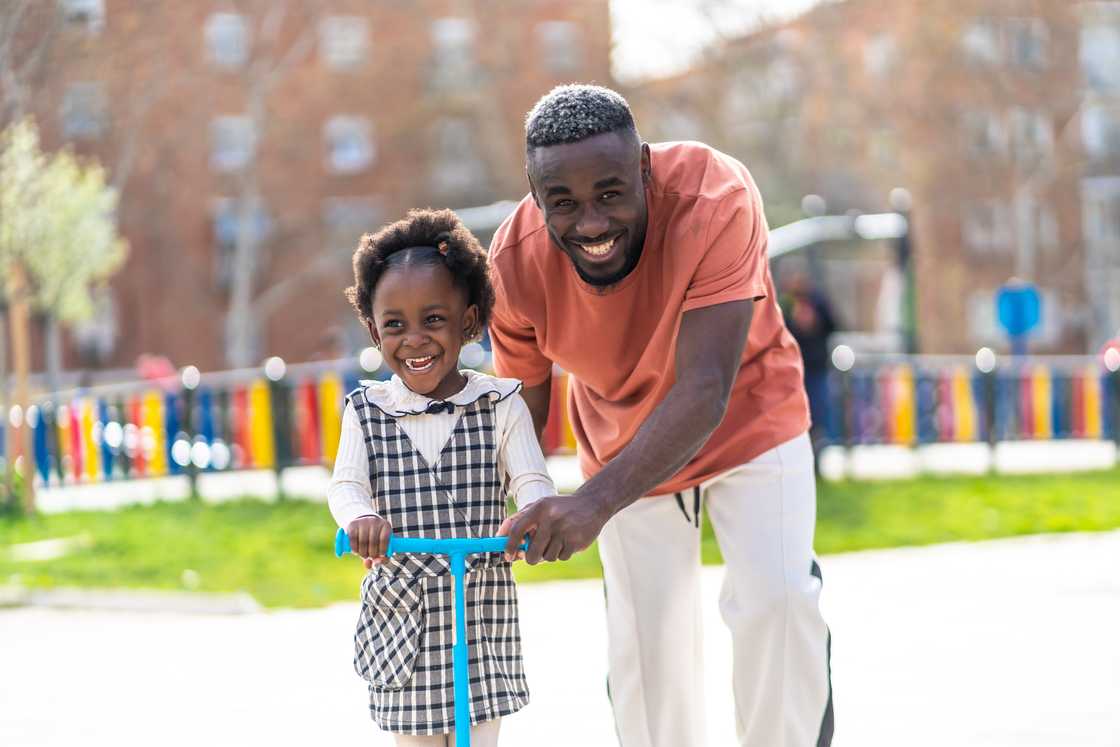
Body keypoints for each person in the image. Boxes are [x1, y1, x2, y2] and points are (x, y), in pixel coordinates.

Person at [490, 84, 834, 746]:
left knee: (778, 602)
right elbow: (520, 411)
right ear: (535, 196)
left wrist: (590, 505)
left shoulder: (715, 196)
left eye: (611, 192)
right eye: (562, 201)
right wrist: (500, 506)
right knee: (650, 647)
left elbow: (705, 386)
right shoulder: (512, 264)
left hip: (748, 414)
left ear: (643, 166)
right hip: (621, 439)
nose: (590, 222)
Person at [328, 208, 555, 747]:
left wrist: (532, 512)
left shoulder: (500, 404)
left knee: (478, 735)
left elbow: (531, 477)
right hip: (402, 608)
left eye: (434, 319)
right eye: (395, 325)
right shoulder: (367, 411)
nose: (414, 340)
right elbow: (346, 484)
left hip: (479, 601)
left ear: (469, 321)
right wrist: (361, 517)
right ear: (373, 329)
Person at [781, 268, 839, 448]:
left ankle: (818, 449)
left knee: (818, 412)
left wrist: (815, 321)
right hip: (795, 369)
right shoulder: (786, 307)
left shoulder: (819, 303)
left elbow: (833, 325)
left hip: (816, 367)